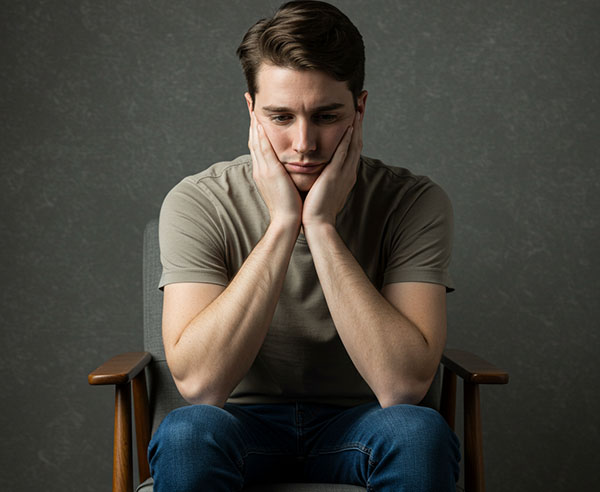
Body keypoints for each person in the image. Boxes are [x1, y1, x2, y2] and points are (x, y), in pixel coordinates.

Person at [148, 1, 460, 490]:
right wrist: (282, 225)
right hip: (239, 423)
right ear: (251, 111)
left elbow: (403, 387)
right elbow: (201, 385)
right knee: (187, 433)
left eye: (326, 116)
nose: (304, 144)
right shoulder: (198, 201)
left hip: (365, 421)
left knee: (418, 432)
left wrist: (320, 226)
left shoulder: (413, 202)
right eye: (280, 117)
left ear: (359, 109)